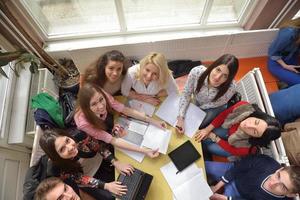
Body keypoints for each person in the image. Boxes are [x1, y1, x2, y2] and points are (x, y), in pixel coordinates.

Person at [75, 83, 166, 158]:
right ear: (87, 107)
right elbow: (111, 140)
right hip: (98, 134)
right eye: (94, 104)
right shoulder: (83, 123)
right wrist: (144, 151)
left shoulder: (100, 94)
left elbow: (124, 109)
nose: (101, 106)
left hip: (107, 121)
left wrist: (153, 121)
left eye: (101, 99)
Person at [39, 129, 130, 199]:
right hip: (89, 178)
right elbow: (79, 178)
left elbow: (99, 147)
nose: (70, 147)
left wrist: (116, 162)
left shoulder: (79, 135)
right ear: (56, 156)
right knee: (114, 196)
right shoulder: (56, 169)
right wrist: (107, 186)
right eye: (62, 149)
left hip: (103, 161)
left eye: (67, 140)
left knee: (129, 174)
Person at [176, 54, 239, 134]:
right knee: (184, 116)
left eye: (225, 76)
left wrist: (198, 110)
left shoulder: (231, 87)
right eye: (218, 70)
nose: (217, 77)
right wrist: (181, 117)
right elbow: (186, 93)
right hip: (198, 100)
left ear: (229, 79)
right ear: (213, 66)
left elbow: (216, 104)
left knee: (197, 126)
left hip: (213, 106)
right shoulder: (197, 72)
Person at [194, 101, 281, 158]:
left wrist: (214, 137)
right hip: (228, 130)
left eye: (255, 131)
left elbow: (232, 149)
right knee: (205, 134)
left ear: (256, 138)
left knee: (210, 147)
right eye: (256, 122)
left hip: (234, 146)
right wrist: (207, 130)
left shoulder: (248, 148)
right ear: (259, 116)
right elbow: (224, 115)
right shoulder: (243, 107)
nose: (249, 126)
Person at [206, 154, 300, 200]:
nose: (273, 183)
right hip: (235, 173)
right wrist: (216, 187)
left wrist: (228, 199)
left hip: (239, 195)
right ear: (279, 169)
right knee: (203, 165)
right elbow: (238, 167)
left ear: (290, 194)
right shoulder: (267, 162)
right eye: (278, 175)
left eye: (283, 187)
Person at [268, 17, 300, 86]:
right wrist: (285, 66)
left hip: (292, 57)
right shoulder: (289, 32)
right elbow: (273, 52)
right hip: (278, 62)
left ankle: (286, 83)